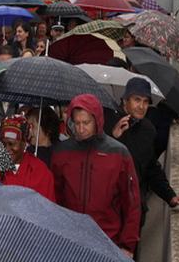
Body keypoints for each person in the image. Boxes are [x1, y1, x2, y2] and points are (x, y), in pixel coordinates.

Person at [51, 94, 141, 258]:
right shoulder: (61, 152)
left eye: (86, 123)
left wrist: (127, 245)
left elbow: (132, 202)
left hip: (108, 240)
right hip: (70, 240)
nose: (80, 128)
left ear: (97, 120)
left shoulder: (118, 153)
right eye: (76, 123)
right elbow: (55, 196)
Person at [104, 78, 179, 221]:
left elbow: (151, 167)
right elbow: (100, 163)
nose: (142, 106)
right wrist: (113, 137)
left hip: (134, 208)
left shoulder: (147, 129)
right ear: (125, 100)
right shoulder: (108, 122)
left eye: (146, 101)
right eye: (137, 100)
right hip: (109, 206)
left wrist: (171, 196)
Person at [0, 115, 55, 202]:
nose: (6, 150)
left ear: (24, 143)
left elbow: (47, 210)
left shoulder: (41, 173)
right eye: (3, 144)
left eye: (12, 144)